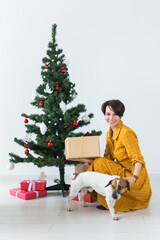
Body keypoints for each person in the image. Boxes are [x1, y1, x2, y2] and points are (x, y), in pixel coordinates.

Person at [72, 99, 152, 212]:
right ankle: (91, 188)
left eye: (115, 114)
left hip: (133, 176)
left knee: (99, 163)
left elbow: (138, 159)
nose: (111, 118)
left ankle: (85, 186)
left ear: (121, 115)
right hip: (121, 170)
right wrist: (80, 159)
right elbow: (107, 159)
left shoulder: (126, 133)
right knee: (99, 162)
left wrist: (134, 178)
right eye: (108, 114)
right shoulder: (110, 132)